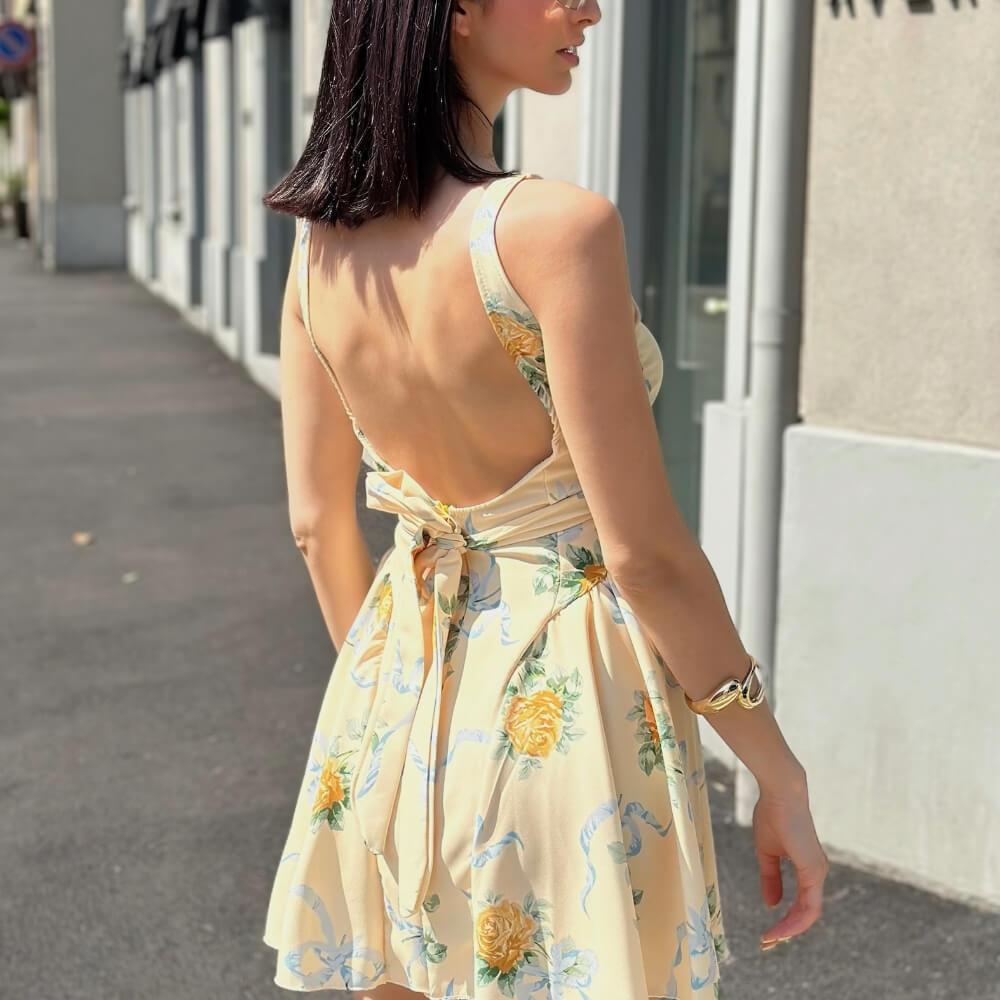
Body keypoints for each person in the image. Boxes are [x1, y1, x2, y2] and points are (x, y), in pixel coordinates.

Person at [260, 1, 828, 998]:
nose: (589, 9)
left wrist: (406, 713)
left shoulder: (320, 253)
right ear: (458, 10)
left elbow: (316, 524)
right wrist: (774, 766)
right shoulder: (554, 231)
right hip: (562, 702)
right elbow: (646, 556)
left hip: (391, 698)